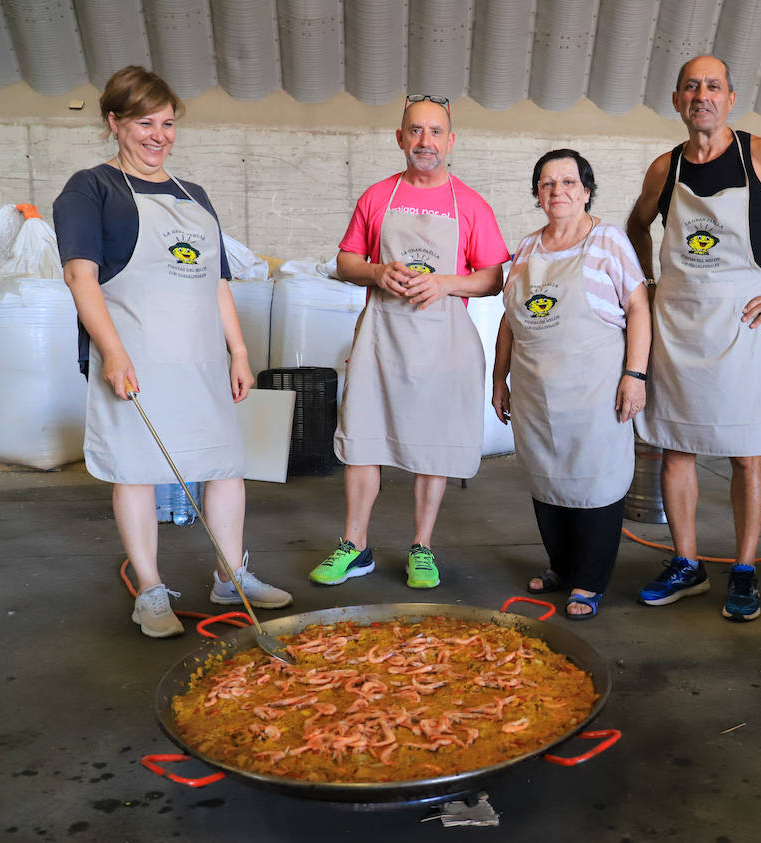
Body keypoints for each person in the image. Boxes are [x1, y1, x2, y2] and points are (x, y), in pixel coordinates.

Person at [55, 65, 292, 639]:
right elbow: (81, 278)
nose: (159, 135)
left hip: (200, 359)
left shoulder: (195, 195)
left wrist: (237, 350)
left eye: (167, 123)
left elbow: (216, 283)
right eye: (144, 123)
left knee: (225, 466)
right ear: (114, 122)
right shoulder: (91, 188)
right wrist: (112, 353)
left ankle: (230, 575)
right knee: (135, 470)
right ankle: (151, 590)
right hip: (136, 360)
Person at [626, 55, 761, 622]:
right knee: (675, 449)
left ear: (730, 98)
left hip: (745, 324)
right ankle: (687, 563)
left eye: (713, 86)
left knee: (748, 451)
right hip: (677, 325)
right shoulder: (663, 168)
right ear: (677, 100)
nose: (702, 95)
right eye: (691, 86)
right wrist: (648, 283)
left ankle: (744, 569)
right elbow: (635, 226)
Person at [310, 95, 509, 590]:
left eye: (436, 132)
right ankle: (354, 546)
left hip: (443, 345)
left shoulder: (472, 204)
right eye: (416, 131)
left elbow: (492, 278)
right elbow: (345, 262)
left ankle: (422, 546)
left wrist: (443, 283)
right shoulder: (378, 197)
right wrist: (377, 271)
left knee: (434, 447)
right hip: (383, 338)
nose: (426, 141)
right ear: (400, 138)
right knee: (362, 441)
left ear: (451, 141)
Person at [492, 150, 651, 620]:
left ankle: (590, 580)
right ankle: (561, 567)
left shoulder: (608, 241)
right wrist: (498, 378)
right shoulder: (525, 248)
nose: (557, 191)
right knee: (546, 479)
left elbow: (639, 308)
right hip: (537, 393)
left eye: (567, 182)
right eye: (547, 183)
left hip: (594, 391)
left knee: (595, 483)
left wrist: (635, 375)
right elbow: (508, 320)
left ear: (585, 191)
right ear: (537, 195)